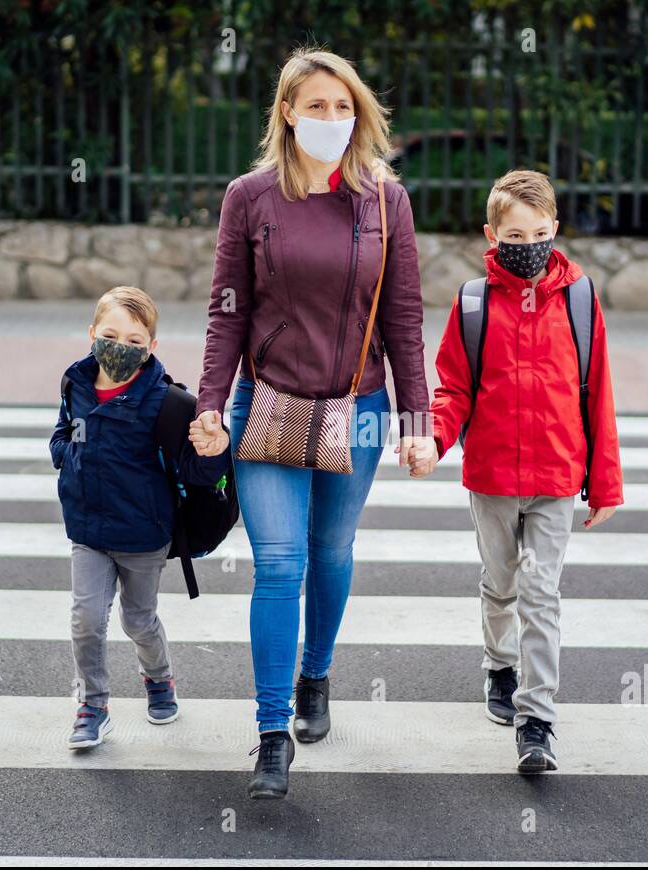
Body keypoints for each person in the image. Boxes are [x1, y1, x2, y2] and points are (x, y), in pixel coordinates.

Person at [190, 47, 434, 799]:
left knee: (331, 549)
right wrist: (208, 404)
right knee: (280, 565)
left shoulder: (384, 201)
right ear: (287, 112)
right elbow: (226, 307)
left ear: (358, 114)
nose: (331, 118)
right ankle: (270, 734)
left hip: (357, 409)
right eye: (316, 105)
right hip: (264, 405)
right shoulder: (250, 197)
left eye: (343, 106)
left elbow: (403, 318)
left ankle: (315, 675)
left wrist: (415, 419)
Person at [423, 170, 624, 773]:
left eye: (540, 232)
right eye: (515, 233)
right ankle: (499, 667)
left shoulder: (581, 300)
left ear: (555, 228)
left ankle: (536, 721)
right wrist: (434, 439)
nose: (529, 243)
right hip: (491, 477)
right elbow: (454, 388)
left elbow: (598, 396)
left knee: (542, 593)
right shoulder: (473, 303)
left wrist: (606, 483)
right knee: (501, 584)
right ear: (492, 234)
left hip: (558, 476)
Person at [51, 286, 230, 750]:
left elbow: (194, 468)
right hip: (88, 530)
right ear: (92, 335)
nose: (121, 347)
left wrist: (216, 449)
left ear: (151, 347)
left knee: (138, 620)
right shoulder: (77, 383)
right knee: (85, 619)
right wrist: (64, 454)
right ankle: (93, 706)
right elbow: (63, 431)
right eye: (110, 335)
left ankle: (159, 679)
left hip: (144, 536)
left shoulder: (164, 402)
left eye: (135, 340)